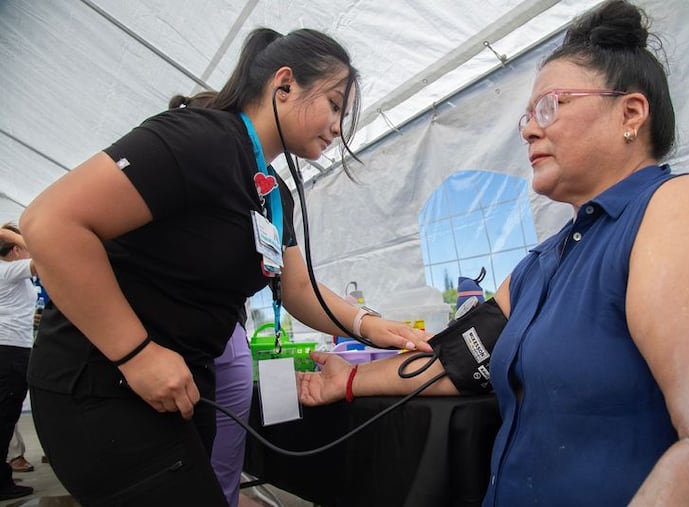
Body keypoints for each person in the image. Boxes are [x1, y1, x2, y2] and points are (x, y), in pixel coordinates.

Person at [297, 1, 689, 505]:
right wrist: (349, 380)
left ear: (630, 113)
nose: (529, 129)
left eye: (550, 106)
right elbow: (455, 361)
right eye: (526, 115)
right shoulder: (541, 264)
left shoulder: (685, 210)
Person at [20, 27, 431, 507]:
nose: (338, 126)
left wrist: (371, 326)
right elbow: (49, 223)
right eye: (335, 104)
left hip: (184, 385)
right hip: (103, 385)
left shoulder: (272, 193)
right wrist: (136, 353)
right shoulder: (200, 138)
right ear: (285, 84)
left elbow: (297, 289)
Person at [168, 89, 255, 507]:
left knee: (220, 460)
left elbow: (293, 284)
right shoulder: (161, 184)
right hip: (180, 341)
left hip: (225, 337)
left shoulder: (245, 195)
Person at [0, 223, 36, 500]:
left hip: (9, 348)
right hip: (11, 351)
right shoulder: (8, 270)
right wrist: (13, 233)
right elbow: (48, 256)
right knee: (5, 417)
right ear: (15, 250)